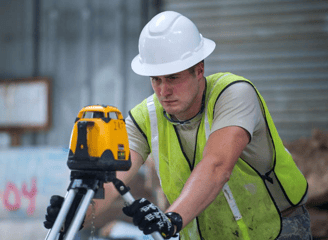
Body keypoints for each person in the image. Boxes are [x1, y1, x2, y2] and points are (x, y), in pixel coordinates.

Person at [44, 11, 312, 240]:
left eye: (172, 78)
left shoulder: (234, 94)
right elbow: (113, 180)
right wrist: (77, 213)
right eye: (156, 79)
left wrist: (171, 219)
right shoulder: (144, 117)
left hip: (277, 229)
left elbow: (217, 166)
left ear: (199, 70)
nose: (163, 90)